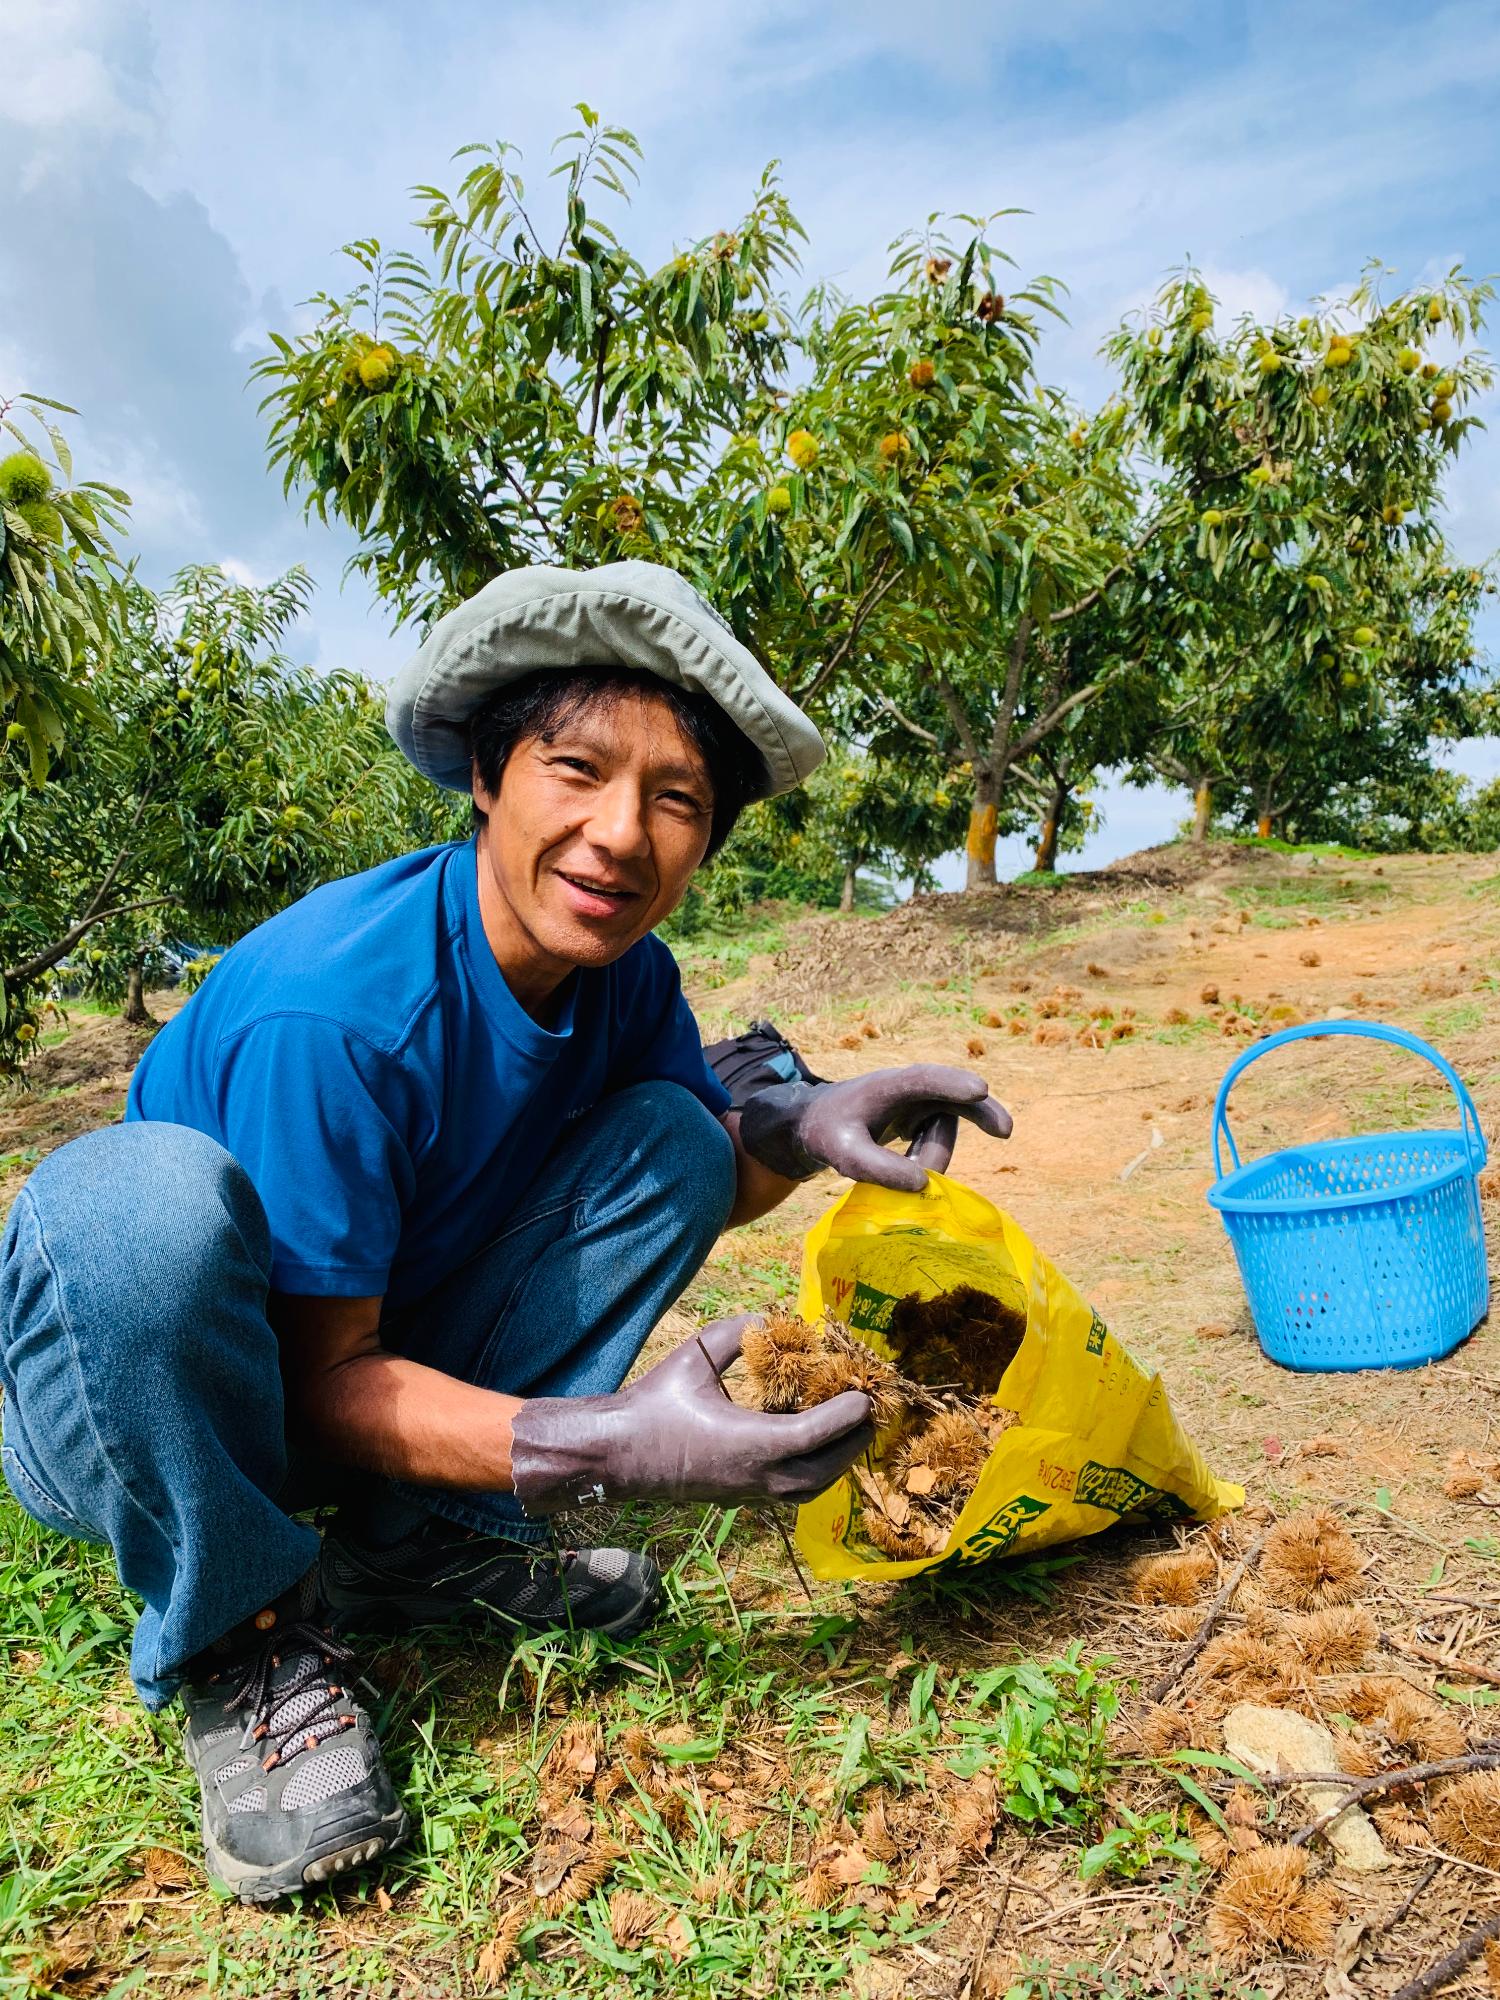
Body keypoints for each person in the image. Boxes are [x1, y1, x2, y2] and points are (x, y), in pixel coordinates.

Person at [0, 561, 1009, 1902]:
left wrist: (802, 1124)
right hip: (150, 1414)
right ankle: (237, 1640)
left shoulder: (622, 976)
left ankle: (408, 1544)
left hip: (348, 1365)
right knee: (143, 1209)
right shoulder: (341, 1013)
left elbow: (692, 1175)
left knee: (669, 1128)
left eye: (676, 801)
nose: (619, 833)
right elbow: (313, 1379)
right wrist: (594, 1446)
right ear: (488, 773)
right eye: (577, 769)